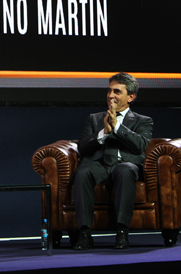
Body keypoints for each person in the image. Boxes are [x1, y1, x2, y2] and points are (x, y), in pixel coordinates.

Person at [70, 72, 153, 250]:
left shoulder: (143, 121)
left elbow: (140, 145)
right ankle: (84, 234)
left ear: (130, 97)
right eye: (109, 91)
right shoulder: (94, 119)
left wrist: (116, 127)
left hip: (124, 165)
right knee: (83, 171)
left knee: (125, 170)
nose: (111, 95)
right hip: (99, 166)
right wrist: (104, 133)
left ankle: (122, 232)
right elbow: (83, 147)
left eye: (117, 91)